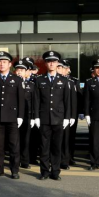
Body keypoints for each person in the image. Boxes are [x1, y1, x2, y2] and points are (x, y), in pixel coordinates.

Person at [32, 50, 71, 180]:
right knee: (44, 147)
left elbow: (67, 101)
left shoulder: (64, 81)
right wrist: (36, 116)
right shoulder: (39, 80)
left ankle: (55, 171)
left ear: (57, 63)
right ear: (46, 64)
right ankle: (44, 171)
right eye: (49, 61)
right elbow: (36, 100)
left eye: (54, 61)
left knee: (56, 147)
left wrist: (67, 117)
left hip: (59, 118)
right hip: (44, 118)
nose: (52, 64)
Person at [0, 51, 25, 179]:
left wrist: (20, 116)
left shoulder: (17, 79)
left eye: (4, 62)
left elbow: (21, 100)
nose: (1, 64)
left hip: (12, 117)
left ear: (9, 64)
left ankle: (14, 170)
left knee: (14, 145)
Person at [58, 60, 79, 170]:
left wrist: (72, 116)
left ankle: (65, 161)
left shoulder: (70, 82)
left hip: (66, 115)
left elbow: (73, 101)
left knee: (66, 140)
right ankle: (55, 160)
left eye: (61, 67)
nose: (59, 69)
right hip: (55, 115)